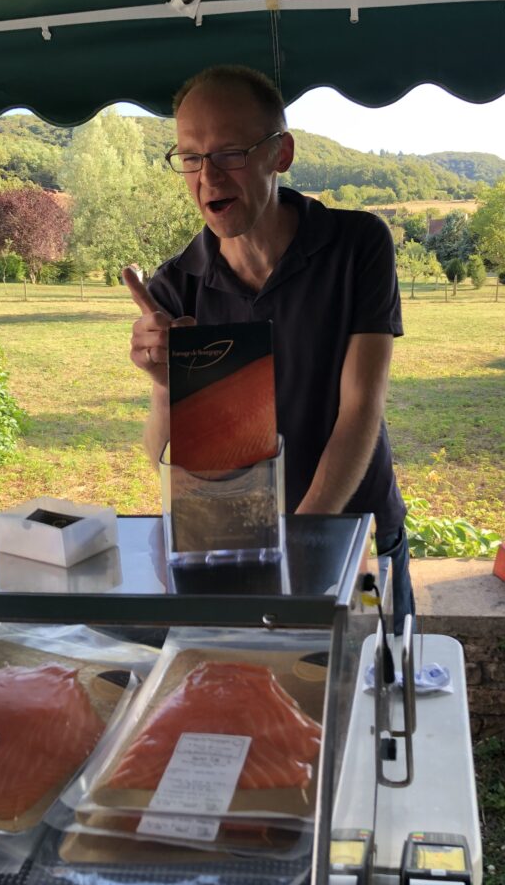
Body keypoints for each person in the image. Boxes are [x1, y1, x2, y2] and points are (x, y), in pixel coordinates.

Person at [124, 64, 415, 634]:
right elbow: (164, 457)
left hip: (351, 533)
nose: (207, 176)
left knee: (367, 699)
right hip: (234, 550)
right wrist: (165, 385)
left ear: (279, 153)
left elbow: (361, 408)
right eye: (190, 156)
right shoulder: (175, 288)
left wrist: (305, 543)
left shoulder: (357, 247)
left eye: (230, 152)